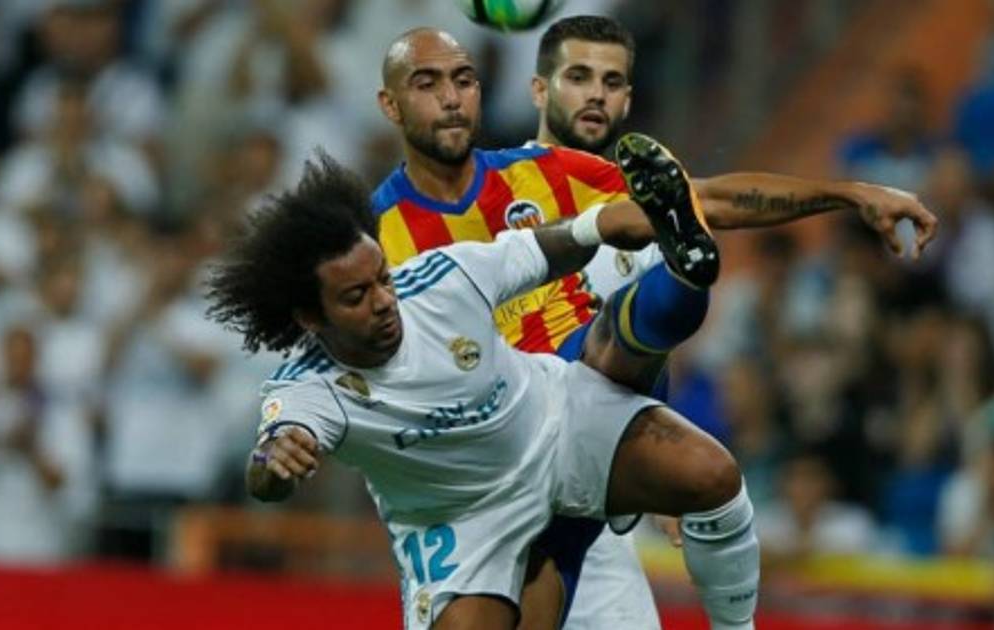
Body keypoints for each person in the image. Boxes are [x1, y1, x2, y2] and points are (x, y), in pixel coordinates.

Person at [370, 23, 938, 628]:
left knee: (625, 365)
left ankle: (685, 277)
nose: (451, 98)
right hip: (481, 483)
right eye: (428, 84)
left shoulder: (552, 176)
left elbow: (711, 200)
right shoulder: (372, 234)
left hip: (583, 438)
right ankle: (676, 289)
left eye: (463, 80)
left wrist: (849, 193)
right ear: (390, 104)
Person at [207, 144, 761, 630]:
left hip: (556, 427)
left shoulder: (442, 279)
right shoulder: (309, 387)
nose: (383, 301)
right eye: (356, 296)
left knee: (712, 477)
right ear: (310, 317)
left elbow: (555, 244)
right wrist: (275, 461)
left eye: (382, 278)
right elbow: (269, 464)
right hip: (461, 521)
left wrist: (604, 224)